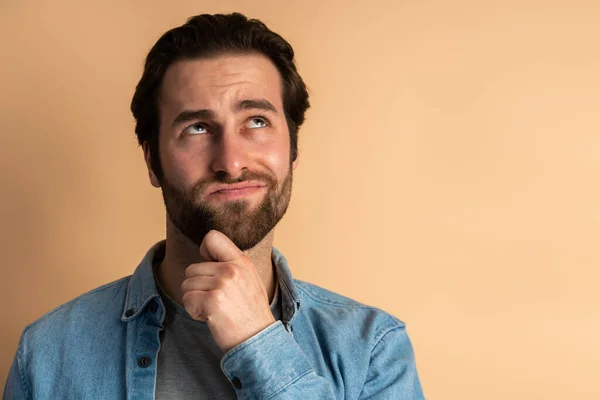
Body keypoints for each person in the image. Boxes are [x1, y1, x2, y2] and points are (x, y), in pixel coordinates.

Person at [3, 12, 424, 399]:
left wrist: (257, 341)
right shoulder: (47, 354)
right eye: (198, 127)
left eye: (256, 121)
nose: (231, 162)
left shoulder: (373, 350)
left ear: (293, 150)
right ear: (152, 161)